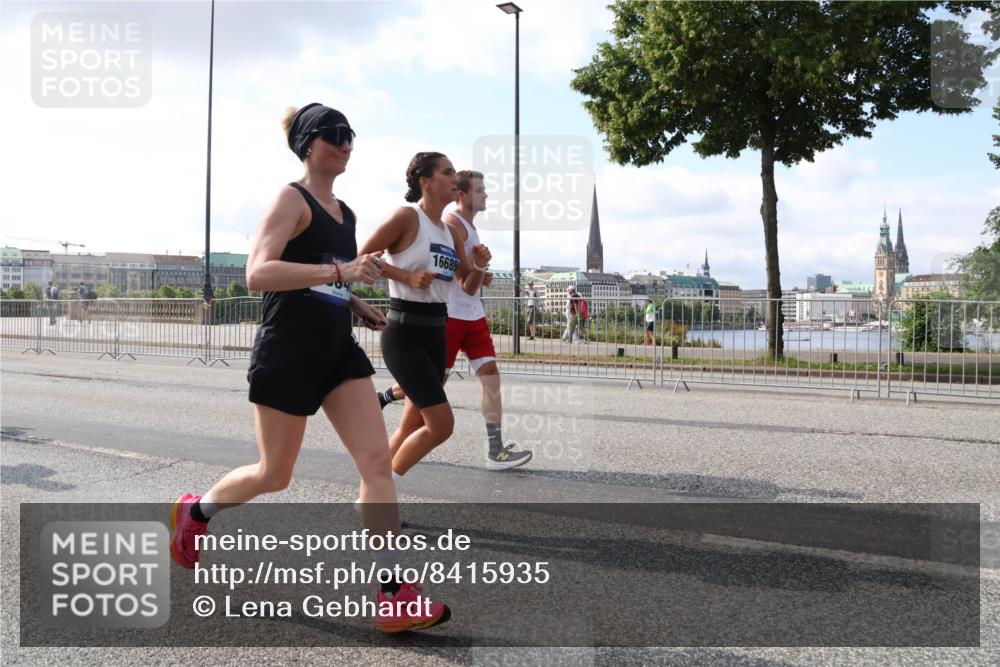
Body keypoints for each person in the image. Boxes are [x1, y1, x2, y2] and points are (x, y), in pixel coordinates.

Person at [168, 103, 450, 633]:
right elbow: (260, 272)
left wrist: (351, 300)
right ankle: (197, 511)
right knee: (274, 475)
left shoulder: (346, 213)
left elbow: (323, 279)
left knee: (375, 465)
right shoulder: (289, 198)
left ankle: (393, 594)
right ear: (307, 144)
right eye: (334, 135)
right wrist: (342, 270)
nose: (346, 143)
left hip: (336, 350)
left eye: (351, 135)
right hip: (288, 349)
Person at [359, 153, 491, 484]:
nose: (454, 179)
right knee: (441, 425)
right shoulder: (407, 217)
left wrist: (479, 265)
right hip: (405, 331)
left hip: (437, 332)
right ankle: (379, 492)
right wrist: (405, 276)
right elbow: (360, 259)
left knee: (418, 424)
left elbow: (468, 287)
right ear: (426, 181)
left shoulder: (451, 232)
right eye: (447, 172)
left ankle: (374, 491)